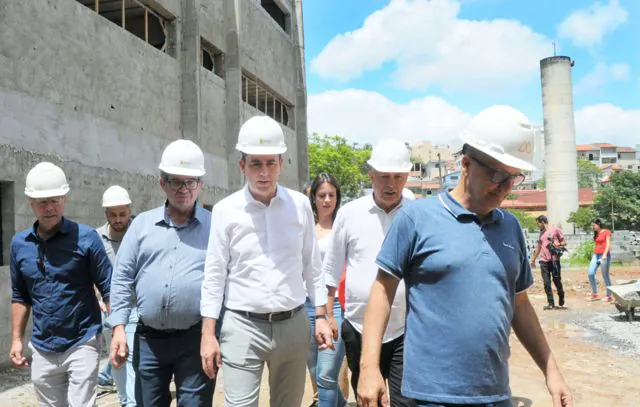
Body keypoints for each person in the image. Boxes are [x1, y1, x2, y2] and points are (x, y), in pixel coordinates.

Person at [357, 105, 573, 407]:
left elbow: (519, 303)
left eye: (514, 177)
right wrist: (369, 368)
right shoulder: (417, 218)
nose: (505, 187)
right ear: (467, 164)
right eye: (498, 174)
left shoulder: (509, 227)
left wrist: (551, 371)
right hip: (429, 396)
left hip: (495, 395)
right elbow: (382, 291)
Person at [200, 115, 334, 407]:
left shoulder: (299, 205)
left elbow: (312, 265)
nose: (264, 172)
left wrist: (322, 316)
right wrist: (208, 335)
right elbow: (213, 276)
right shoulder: (225, 211)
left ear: (281, 163)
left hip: (293, 324)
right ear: (242, 166)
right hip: (242, 326)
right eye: (255, 164)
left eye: (270, 163)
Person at [109, 139, 215, 406]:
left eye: (191, 181)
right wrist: (119, 328)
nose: (183, 189)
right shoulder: (141, 226)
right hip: (148, 341)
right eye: (176, 181)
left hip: (194, 339)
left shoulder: (214, 228)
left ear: (200, 184)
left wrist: (212, 334)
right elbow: (122, 278)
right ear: (162, 183)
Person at [9, 162, 112, 406]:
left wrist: (118, 331)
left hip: (82, 340)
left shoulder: (86, 238)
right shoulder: (19, 244)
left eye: (55, 199)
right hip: (43, 346)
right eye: (42, 201)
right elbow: (20, 296)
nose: (49, 207)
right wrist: (16, 339)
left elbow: (108, 288)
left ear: (65, 198)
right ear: (30, 202)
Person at [322, 138, 415, 406]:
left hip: (405, 329)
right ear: (371, 175)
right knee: (367, 397)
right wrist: (328, 315)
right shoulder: (350, 213)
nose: (391, 184)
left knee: (405, 401)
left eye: (398, 176)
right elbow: (331, 269)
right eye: (384, 176)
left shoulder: (417, 213)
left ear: (407, 176)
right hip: (358, 326)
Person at [305, 173, 347, 407]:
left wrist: (330, 313)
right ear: (314, 198)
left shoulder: (343, 227)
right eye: (322, 195)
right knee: (316, 374)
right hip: (306, 305)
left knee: (326, 374)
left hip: (336, 306)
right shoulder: (306, 228)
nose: (327, 200)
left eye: (332, 195)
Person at [97, 185, 137, 406]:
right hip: (108, 310)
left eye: (122, 214)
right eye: (113, 214)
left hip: (135, 308)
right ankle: (124, 399)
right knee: (117, 358)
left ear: (130, 210)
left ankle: (131, 402)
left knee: (131, 357)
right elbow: (91, 272)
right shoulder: (97, 238)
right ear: (106, 214)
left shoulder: (140, 232)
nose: (118, 219)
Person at [530, 215, 567, 310]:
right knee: (546, 283)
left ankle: (561, 294)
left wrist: (558, 244)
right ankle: (551, 303)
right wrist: (533, 260)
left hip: (554, 260)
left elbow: (564, 242)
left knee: (556, 280)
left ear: (542, 222)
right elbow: (538, 247)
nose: (538, 226)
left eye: (538, 223)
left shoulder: (555, 230)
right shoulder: (541, 234)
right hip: (543, 261)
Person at [588, 218, 613, 302]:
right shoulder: (596, 234)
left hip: (604, 255)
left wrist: (605, 255)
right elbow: (597, 245)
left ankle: (609, 296)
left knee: (605, 275)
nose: (593, 227)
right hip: (596, 255)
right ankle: (595, 294)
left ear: (598, 224)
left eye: (593, 225)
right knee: (590, 273)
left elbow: (608, 245)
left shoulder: (606, 232)